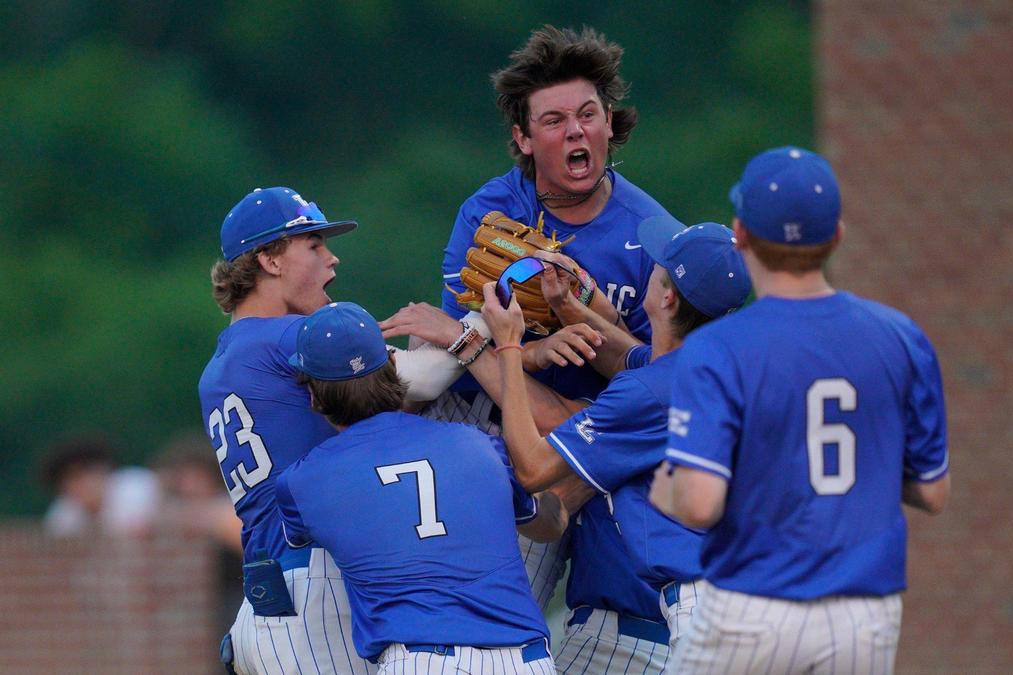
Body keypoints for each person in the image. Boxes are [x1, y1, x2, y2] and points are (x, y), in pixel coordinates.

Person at [649, 146, 951, 674]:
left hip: (753, 604)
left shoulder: (718, 348)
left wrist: (667, 486)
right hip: (865, 613)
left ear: (739, 234)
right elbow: (932, 490)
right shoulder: (902, 337)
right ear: (836, 236)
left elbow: (699, 504)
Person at [419, 23, 675, 619]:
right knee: (454, 608)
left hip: (576, 441)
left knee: (509, 618)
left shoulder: (650, 235)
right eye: (554, 121)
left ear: (610, 123)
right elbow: (460, 342)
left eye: (588, 114)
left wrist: (585, 327)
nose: (576, 130)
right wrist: (535, 350)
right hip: (476, 413)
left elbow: (656, 380)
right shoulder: (490, 209)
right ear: (525, 137)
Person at [482, 216, 751, 666]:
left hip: (676, 622)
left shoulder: (648, 392)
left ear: (665, 297)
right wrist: (567, 305)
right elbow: (631, 358)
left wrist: (507, 346)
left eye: (660, 267)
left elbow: (532, 468)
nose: (651, 267)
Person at [275, 301, 565, 674]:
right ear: (394, 368)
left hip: (420, 660)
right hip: (525, 660)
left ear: (313, 397)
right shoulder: (477, 444)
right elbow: (547, 525)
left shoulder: (301, 482)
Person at [198, 186, 373, 675]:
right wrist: (481, 333)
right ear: (269, 260)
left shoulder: (223, 359)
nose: (332, 258)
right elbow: (405, 378)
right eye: (313, 246)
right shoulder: (287, 336)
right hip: (314, 595)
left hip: (270, 599)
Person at [39, 435, 160, 539]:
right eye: (68, 480)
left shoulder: (134, 488)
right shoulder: (65, 513)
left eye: (83, 474)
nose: (78, 485)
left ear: (104, 470)